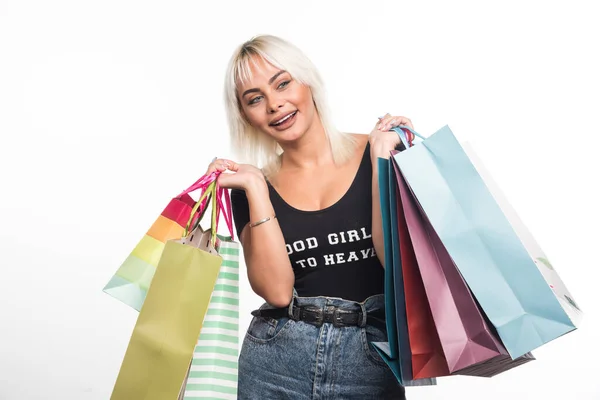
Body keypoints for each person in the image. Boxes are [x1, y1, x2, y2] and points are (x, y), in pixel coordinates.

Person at [205, 34, 414, 399]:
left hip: (372, 361)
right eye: (255, 99)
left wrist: (381, 162)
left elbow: (395, 264)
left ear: (308, 81)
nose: (274, 104)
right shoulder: (249, 188)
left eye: (282, 83)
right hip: (275, 363)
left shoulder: (380, 152)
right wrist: (255, 187)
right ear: (246, 116)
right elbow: (277, 291)